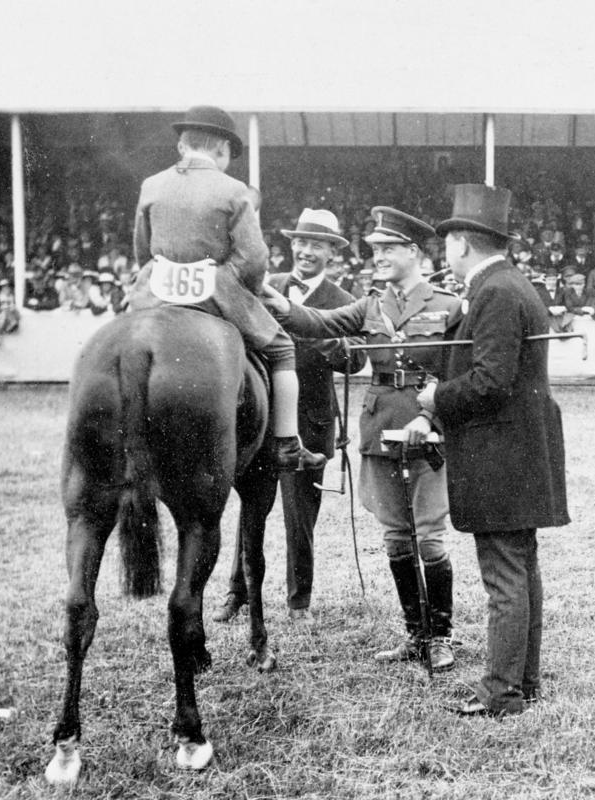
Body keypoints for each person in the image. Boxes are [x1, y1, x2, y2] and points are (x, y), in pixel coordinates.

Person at [261, 206, 462, 670]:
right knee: (395, 538)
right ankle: (415, 636)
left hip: (427, 428)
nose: (379, 256)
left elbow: (457, 374)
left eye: (388, 248)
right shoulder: (372, 304)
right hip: (378, 430)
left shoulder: (448, 306)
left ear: (413, 252)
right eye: (375, 249)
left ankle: (441, 637)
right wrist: (281, 304)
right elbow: (321, 323)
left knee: (429, 537)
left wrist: (431, 417)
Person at [416, 184, 570, 716]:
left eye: (446, 243)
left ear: (460, 242)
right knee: (521, 570)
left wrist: (437, 396)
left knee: (505, 573)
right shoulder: (510, 285)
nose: (444, 253)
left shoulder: (494, 292)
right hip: (518, 450)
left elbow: (489, 382)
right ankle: (521, 684)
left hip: (500, 453)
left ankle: (502, 692)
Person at [127, 105, 323, 473]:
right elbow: (253, 259)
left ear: (183, 146)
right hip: (215, 291)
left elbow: (142, 248)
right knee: (282, 349)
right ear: (220, 149)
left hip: (155, 291)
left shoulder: (151, 185)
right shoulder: (234, 190)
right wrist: (231, 282)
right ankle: (286, 444)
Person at [214, 208, 368, 625]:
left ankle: (299, 602)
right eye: (301, 242)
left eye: (316, 245)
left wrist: (319, 340)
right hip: (262, 421)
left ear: (332, 253)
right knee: (251, 510)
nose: (305, 251)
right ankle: (237, 593)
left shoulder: (345, 301)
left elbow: (356, 360)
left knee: (301, 520)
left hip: (311, 424)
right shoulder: (268, 287)